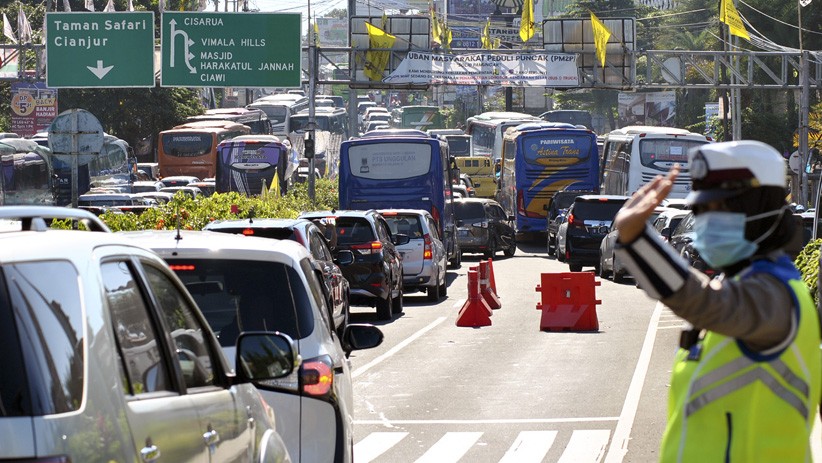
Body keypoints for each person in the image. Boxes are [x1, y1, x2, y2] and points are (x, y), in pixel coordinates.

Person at [613, 140, 821, 461]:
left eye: (717, 209)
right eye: (699, 210)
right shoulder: (740, 283)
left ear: (758, 209)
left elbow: (701, 301)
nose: (704, 222)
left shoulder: (776, 296)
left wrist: (636, 239)